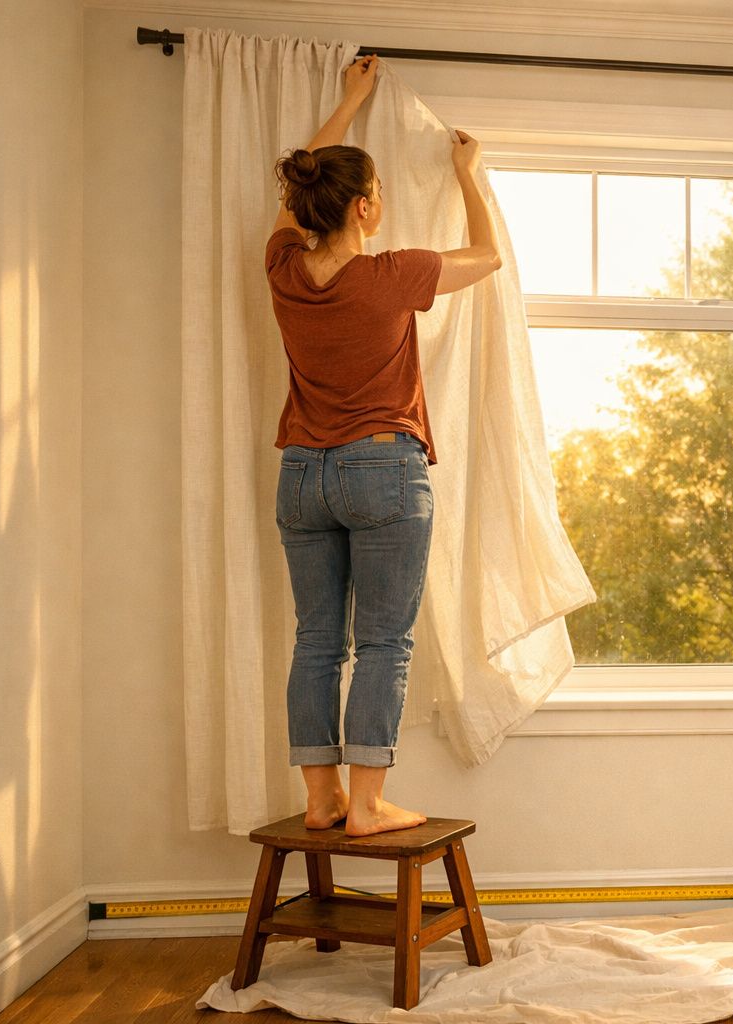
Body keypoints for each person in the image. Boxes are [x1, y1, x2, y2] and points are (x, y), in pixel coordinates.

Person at [265, 55, 501, 837]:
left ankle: (321, 798)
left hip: (302, 474)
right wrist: (470, 174)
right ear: (367, 208)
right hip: (381, 469)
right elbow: (488, 257)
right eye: (378, 198)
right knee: (384, 644)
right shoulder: (393, 274)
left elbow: (293, 191)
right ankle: (367, 806)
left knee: (316, 640)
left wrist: (345, 104)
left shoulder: (283, 268)